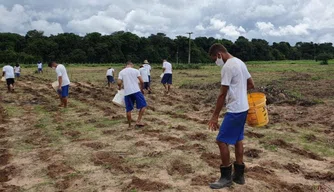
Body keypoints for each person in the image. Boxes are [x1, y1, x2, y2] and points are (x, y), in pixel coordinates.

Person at [207, 43, 255, 189]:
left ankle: (226, 177)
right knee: (238, 139)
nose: (216, 61)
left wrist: (215, 116)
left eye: (215, 58)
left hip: (234, 110)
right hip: (243, 108)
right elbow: (251, 84)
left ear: (220, 54)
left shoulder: (227, 67)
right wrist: (239, 92)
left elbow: (222, 93)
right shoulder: (240, 62)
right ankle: (239, 176)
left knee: (221, 141)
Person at [117, 61, 147, 128]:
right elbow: (142, 81)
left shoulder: (121, 72)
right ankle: (138, 121)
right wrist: (142, 89)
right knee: (143, 105)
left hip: (127, 92)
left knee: (128, 109)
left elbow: (119, 82)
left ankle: (129, 126)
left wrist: (119, 87)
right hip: (136, 90)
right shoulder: (136, 71)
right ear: (131, 65)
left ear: (126, 65)